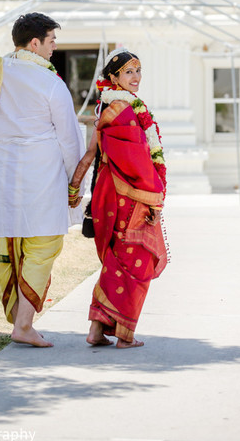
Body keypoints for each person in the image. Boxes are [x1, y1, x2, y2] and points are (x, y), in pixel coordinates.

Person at [0, 12, 85, 348]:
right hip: (43, 176)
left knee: (3, 247)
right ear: (35, 43)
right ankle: (23, 324)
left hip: (2, 174)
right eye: (51, 41)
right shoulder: (50, 83)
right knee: (42, 247)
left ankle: (21, 320)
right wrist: (75, 186)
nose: (54, 48)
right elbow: (69, 141)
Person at [68, 49, 168, 348]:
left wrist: (76, 188)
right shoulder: (122, 109)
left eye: (138, 70)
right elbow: (135, 160)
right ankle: (124, 335)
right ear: (113, 78)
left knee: (117, 259)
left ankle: (97, 330)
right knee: (134, 261)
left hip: (112, 197)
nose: (136, 77)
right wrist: (154, 196)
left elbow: (91, 154)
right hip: (129, 195)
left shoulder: (108, 108)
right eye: (128, 72)